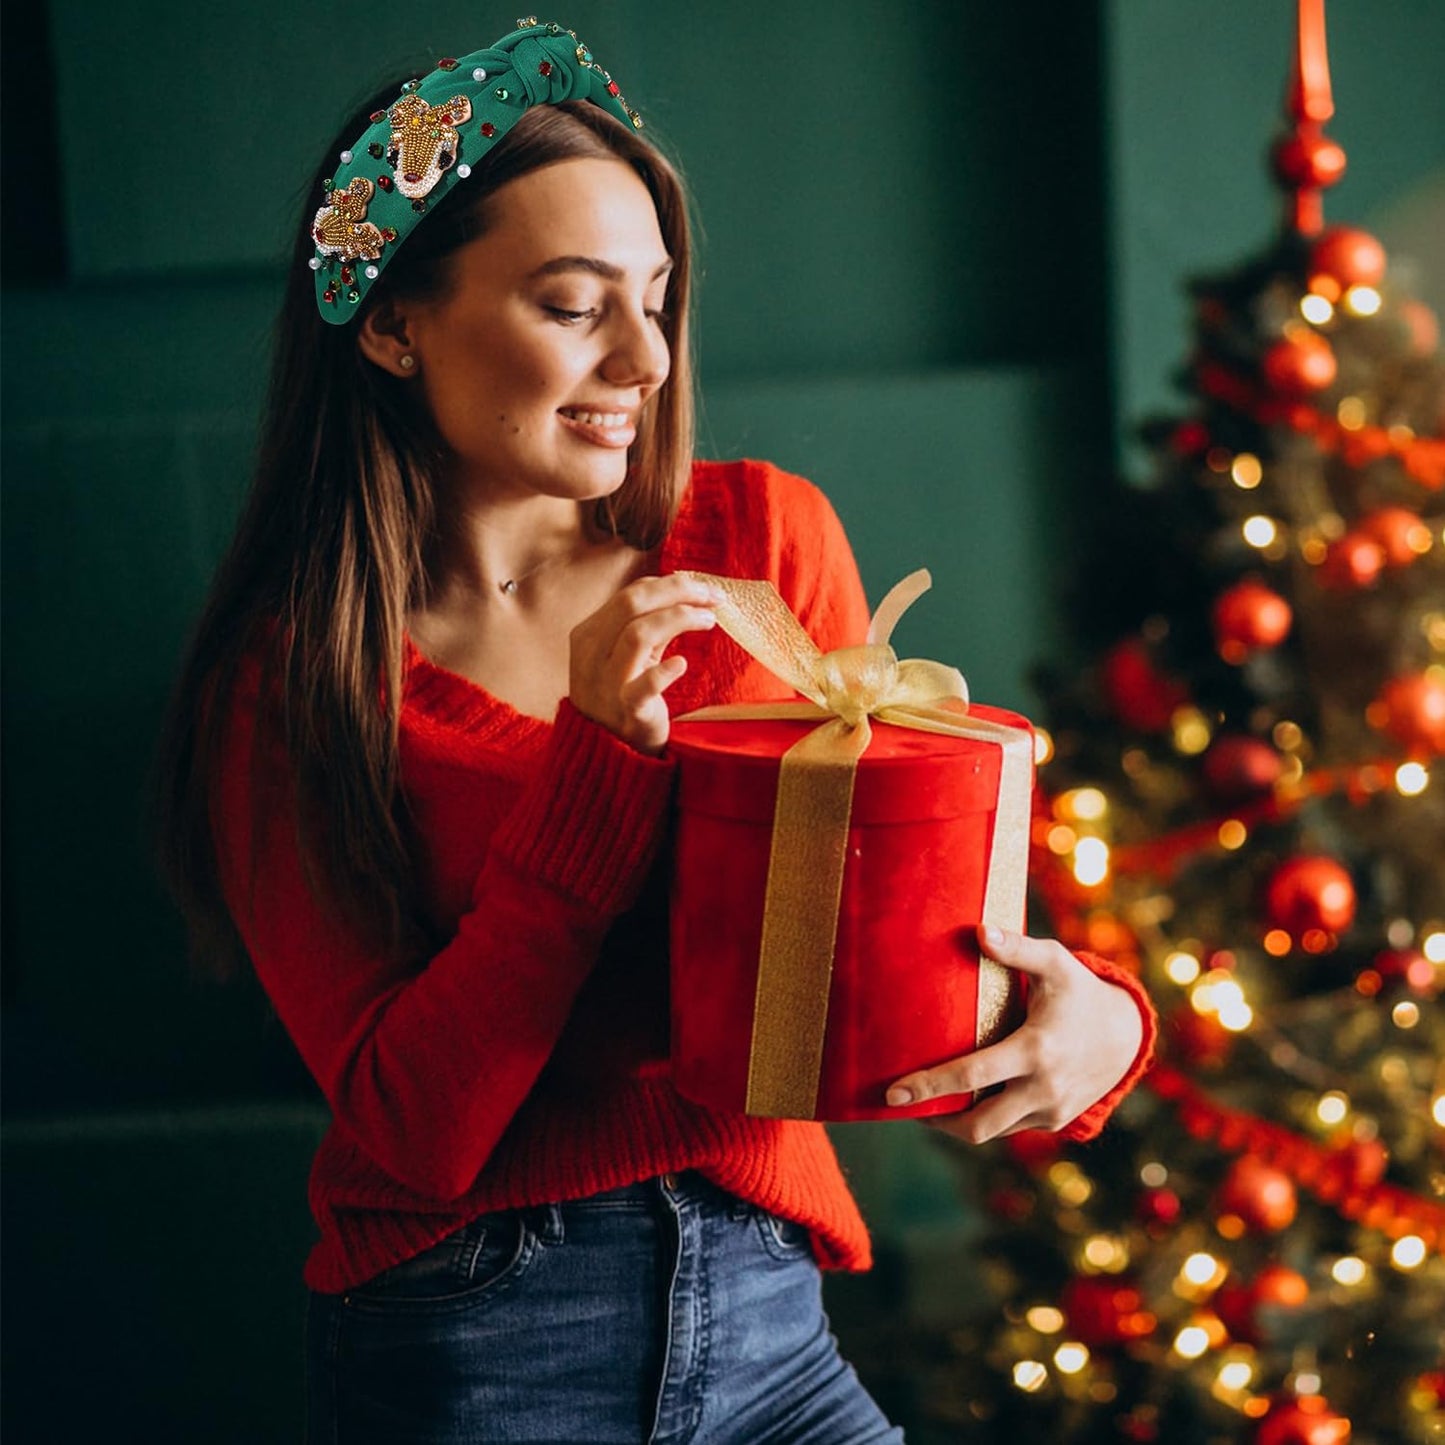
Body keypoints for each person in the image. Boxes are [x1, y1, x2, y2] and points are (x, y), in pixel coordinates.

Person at [155, 20, 1156, 1444]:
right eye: (573, 305)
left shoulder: (760, 543)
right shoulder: (289, 685)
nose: (642, 357)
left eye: (659, 297)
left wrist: (1094, 1021)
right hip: (479, 1337)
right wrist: (597, 761)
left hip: (771, 1315)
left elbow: (886, 965)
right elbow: (413, 1125)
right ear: (390, 323)